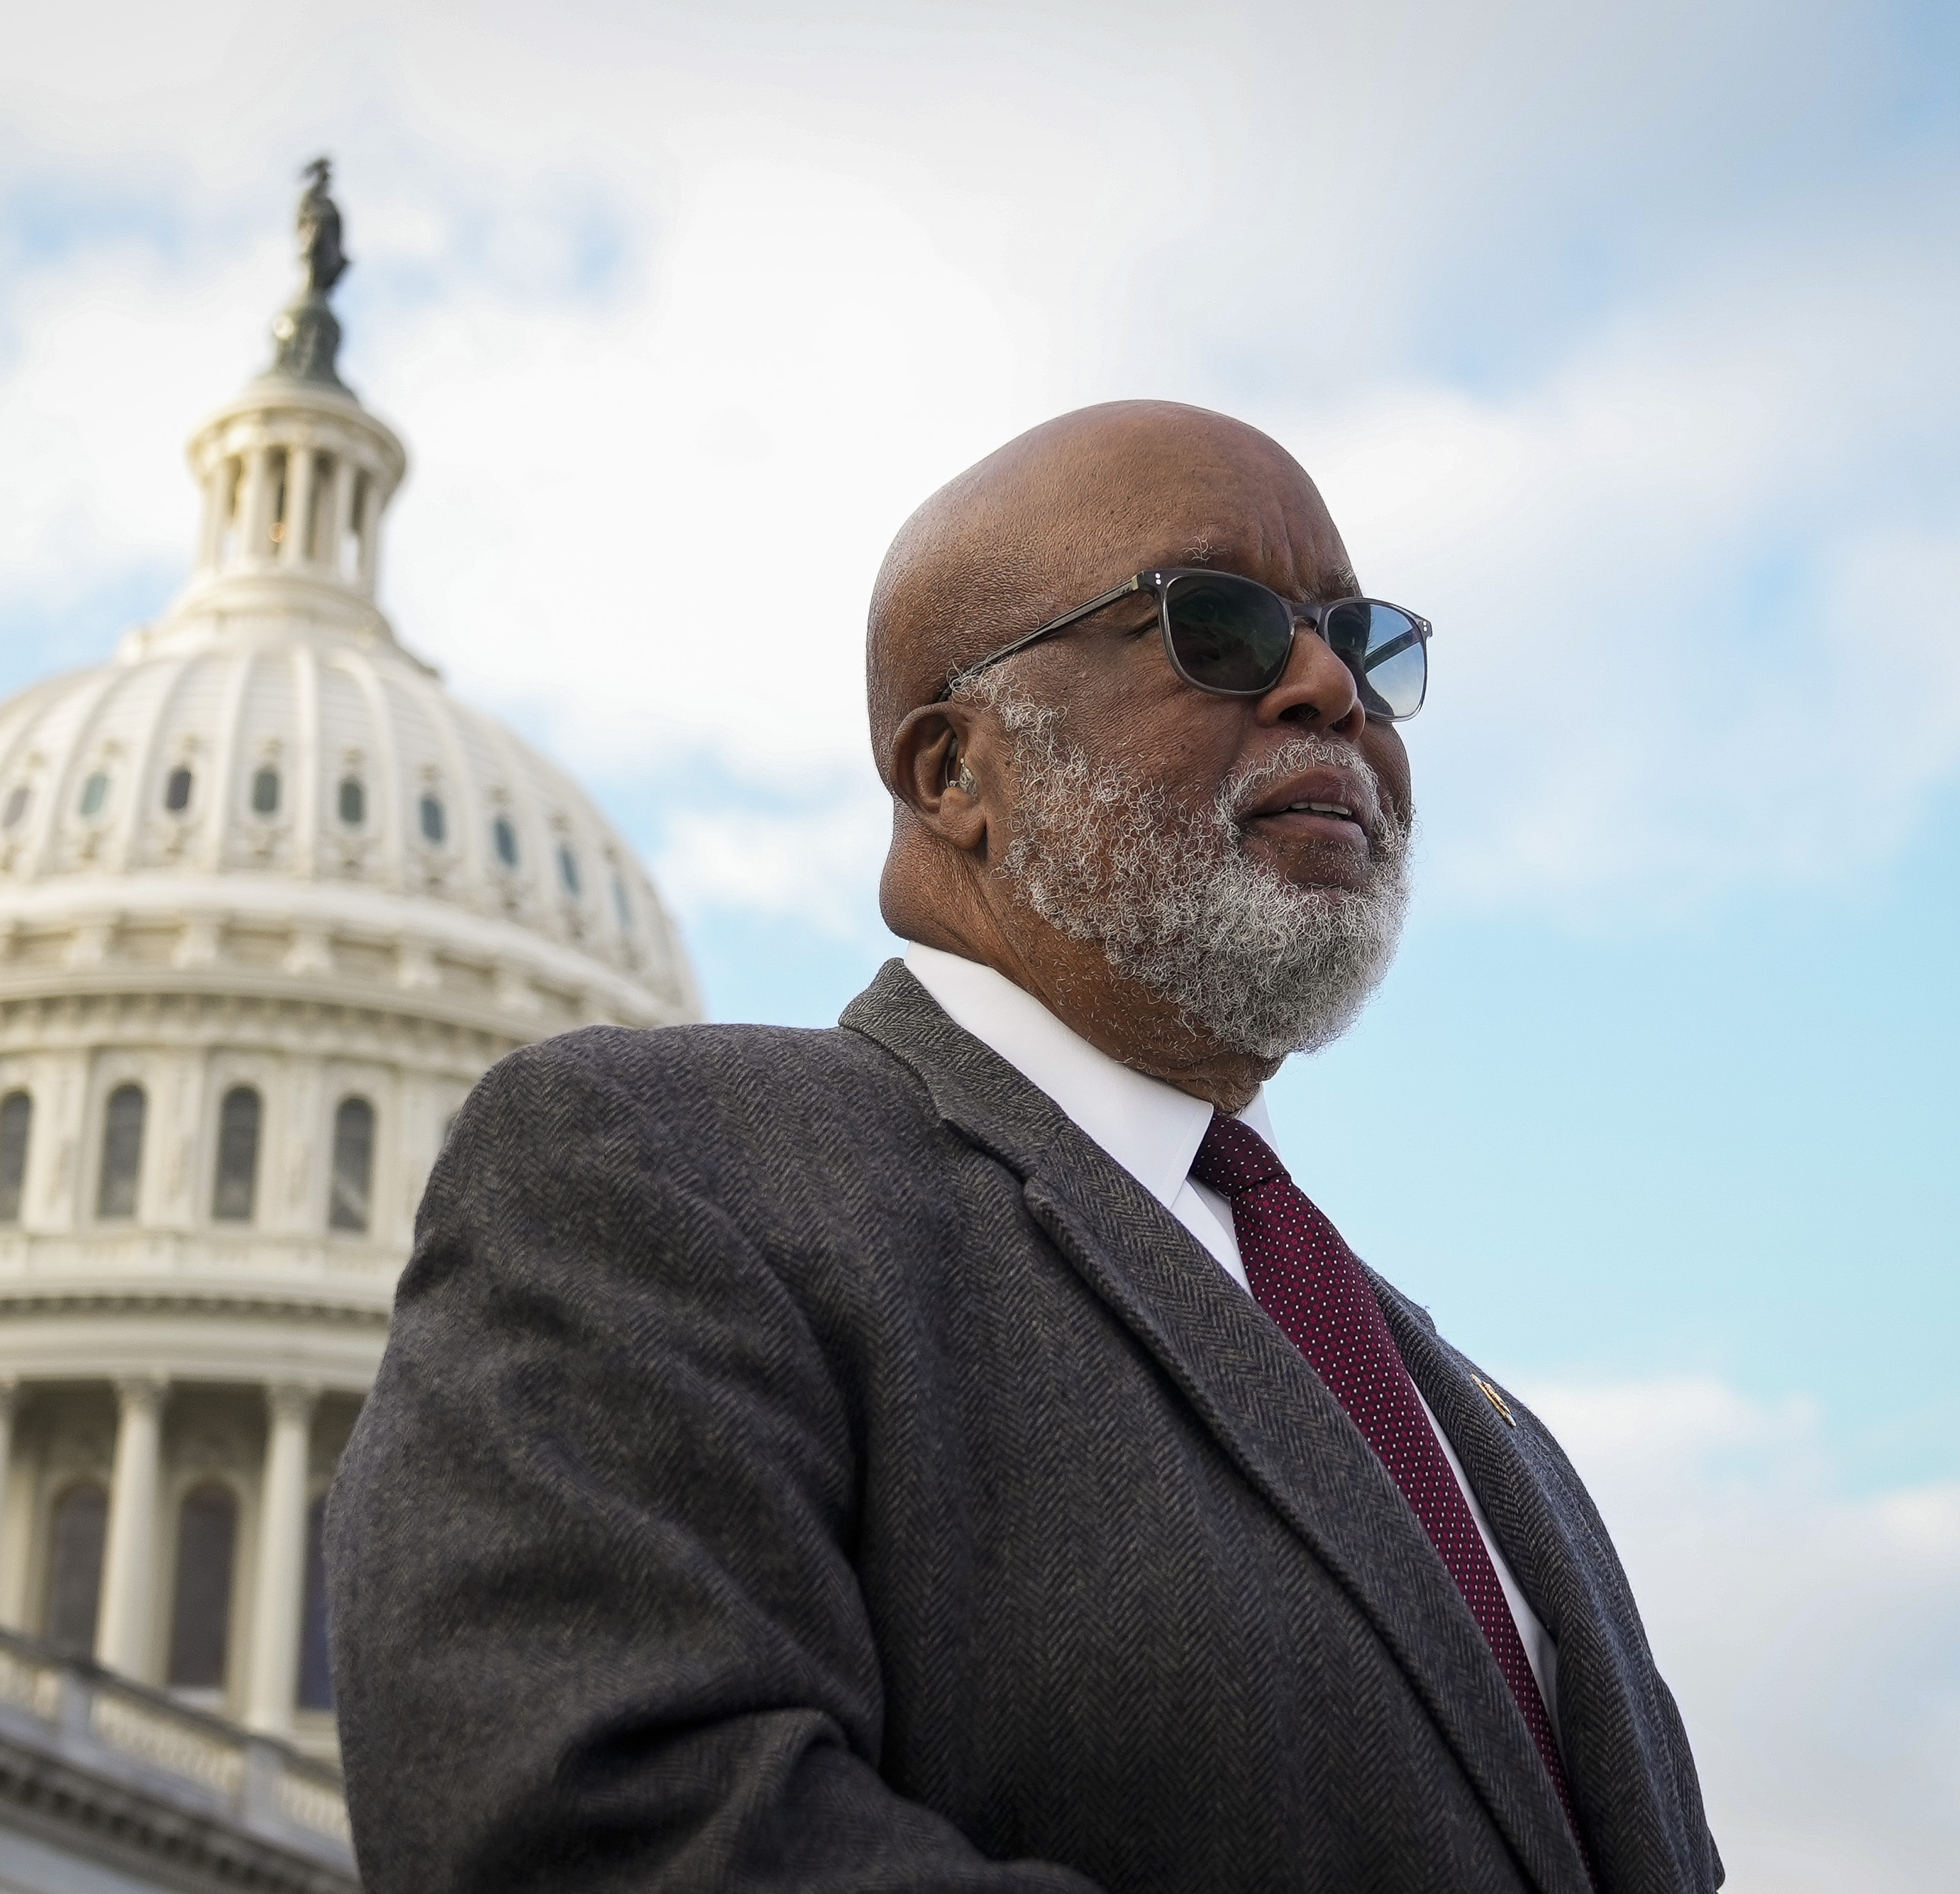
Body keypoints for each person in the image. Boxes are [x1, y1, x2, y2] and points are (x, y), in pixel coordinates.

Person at [327, 401, 1722, 1892]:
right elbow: (609, 1825)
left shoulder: (1470, 1415)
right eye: (1221, 628)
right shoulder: (666, 1173)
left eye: (1360, 639)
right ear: (952, 773)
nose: (1330, 688)